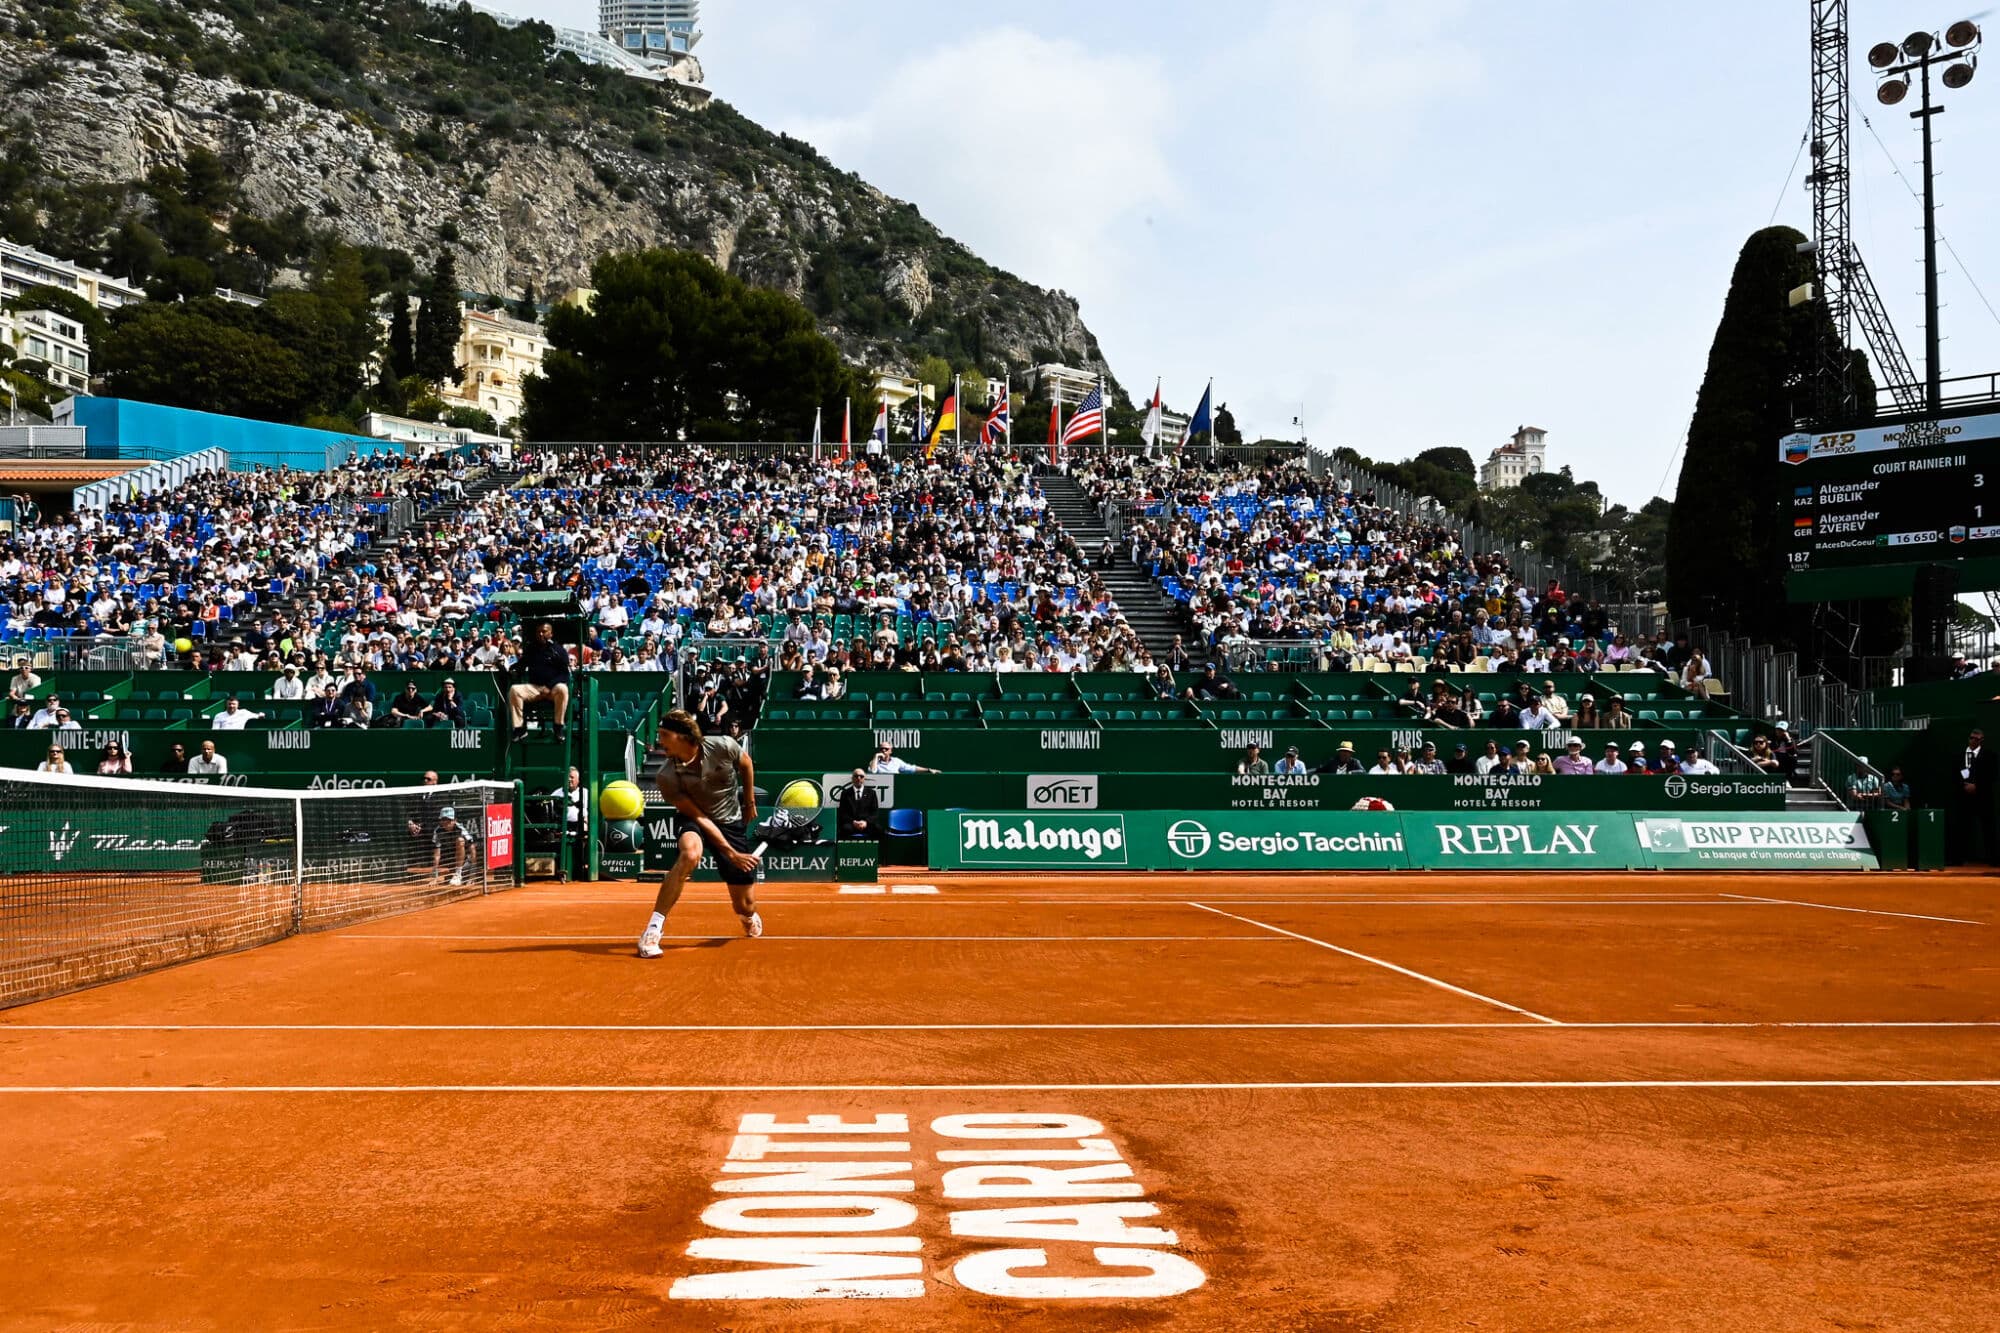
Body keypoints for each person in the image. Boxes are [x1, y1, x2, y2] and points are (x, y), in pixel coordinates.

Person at [640, 709, 763, 958]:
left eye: (664, 735)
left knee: (744, 904)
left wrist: (749, 801)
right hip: (696, 818)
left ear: (683, 736)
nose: (659, 741)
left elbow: (746, 764)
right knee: (690, 854)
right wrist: (730, 852)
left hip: (730, 820)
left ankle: (747, 917)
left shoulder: (723, 745)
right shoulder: (666, 776)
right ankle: (652, 931)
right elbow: (698, 817)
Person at [509, 621, 573, 742]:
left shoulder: (558, 650)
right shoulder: (531, 649)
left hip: (552, 689)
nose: (540, 634)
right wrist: (513, 669)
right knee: (514, 690)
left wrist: (549, 686)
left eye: (544, 631)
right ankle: (519, 728)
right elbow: (522, 665)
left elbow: (565, 674)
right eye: (538, 632)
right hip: (535, 688)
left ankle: (558, 727)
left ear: (551, 634)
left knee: (563, 689)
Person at [1953, 728, 1996, 863]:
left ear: (1981, 740)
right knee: (1962, 828)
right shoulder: (1959, 755)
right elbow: (1955, 774)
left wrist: (1977, 786)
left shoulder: (1990, 756)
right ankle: (1960, 858)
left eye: (1976, 739)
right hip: (1964, 798)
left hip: (1983, 798)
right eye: (1971, 737)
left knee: (1988, 828)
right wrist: (1964, 785)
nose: (1972, 740)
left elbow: (1992, 776)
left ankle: (1993, 858)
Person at [555, 767, 589, 880]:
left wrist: (586, 822)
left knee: (585, 829)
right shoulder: (556, 794)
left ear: (578, 780)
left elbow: (589, 814)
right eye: (567, 777)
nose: (569, 780)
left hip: (580, 824)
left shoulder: (585, 793)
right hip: (562, 824)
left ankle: (583, 865)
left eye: (572, 777)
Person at [430, 806, 474, 886]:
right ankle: (456, 875)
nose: (446, 823)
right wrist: (434, 878)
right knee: (449, 881)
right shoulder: (437, 831)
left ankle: (458, 874)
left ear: (454, 820)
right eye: (443, 820)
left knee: (460, 840)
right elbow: (437, 855)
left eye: (449, 820)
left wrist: (472, 876)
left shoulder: (460, 829)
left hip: (467, 862)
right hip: (450, 860)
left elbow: (473, 850)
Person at [836, 768, 884, 840]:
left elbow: (875, 812)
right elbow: (843, 813)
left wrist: (866, 822)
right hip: (851, 824)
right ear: (852, 778)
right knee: (844, 829)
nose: (859, 778)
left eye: (861, 776)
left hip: (867, 824)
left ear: (864, 779)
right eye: (856, 776)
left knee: (879, 830)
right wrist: (853, 822)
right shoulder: (845, 793)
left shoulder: (872, 793)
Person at [868, 742, 938, 776]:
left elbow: (911, 768)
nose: (883, 750)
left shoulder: (896, 761)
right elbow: (871, 772)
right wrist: (876, 756)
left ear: (890, 751)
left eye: (886, 749)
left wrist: (928, 770)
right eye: (881, 749)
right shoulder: (874, 762)